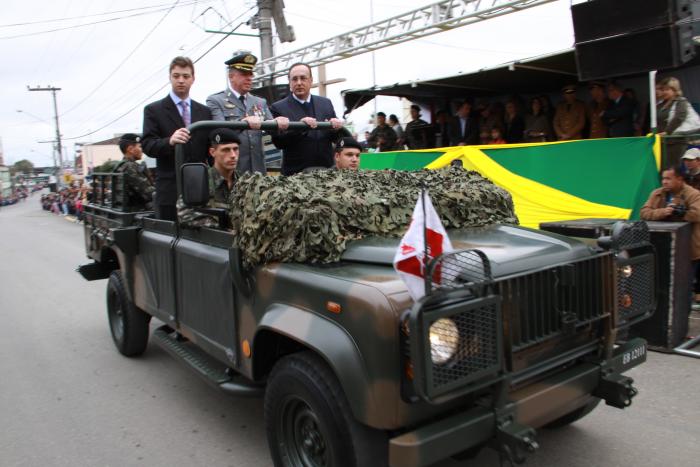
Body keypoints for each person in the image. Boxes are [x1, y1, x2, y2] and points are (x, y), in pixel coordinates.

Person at [142, 56, 212, 221]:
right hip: (169, 192)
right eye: (176, 76)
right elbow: (147, 145)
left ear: (193, 79)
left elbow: (210, 150)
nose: (181, 80)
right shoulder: (154, 110)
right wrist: (169, 142)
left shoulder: (204, 112)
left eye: (186, 76)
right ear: (170, 77)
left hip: (200, 189)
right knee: (171, 243)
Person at [207, 51, 289, 175]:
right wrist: (242, 123)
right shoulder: (216, 101)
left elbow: (273, 130)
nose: (249, 78)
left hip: (257, 172)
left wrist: (279, 123)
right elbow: (220, 133)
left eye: (251, 74)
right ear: (231, 76)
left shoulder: (260, 102)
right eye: (244, 74)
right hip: (231, 173)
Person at [270, 62, 343, 175]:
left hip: (326, 174)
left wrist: (336, 129)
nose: (299, 83)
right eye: (294, 79)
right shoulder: (278, 107)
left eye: (303, 78)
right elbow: (279, 142)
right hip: (295, 176)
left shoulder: (325, 104)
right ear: (289, 82)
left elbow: (337, 139)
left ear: (311, 80)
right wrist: (300, 128)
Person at [641, 166, 700, 303]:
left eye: (668, 178)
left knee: (683, 284)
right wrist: (663, 212)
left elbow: (697, 214)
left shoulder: (693, 194)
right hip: (661, 246)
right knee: (662, 283)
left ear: (679, 179)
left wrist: (679, 213)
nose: (664, 182)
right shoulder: (657, 193)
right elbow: (644, 213)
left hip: (688, 248)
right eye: (663, 178)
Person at [178, 128, 240, 229]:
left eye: (235, 149)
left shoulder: (244, 181)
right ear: (212, 152)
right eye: (226, 150)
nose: (233, 155)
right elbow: (185, 215)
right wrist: (221, 228)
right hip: (212, 240)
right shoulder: (201, 181)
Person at [657, 76, 700, 169]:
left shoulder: (681, 101)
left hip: (676, 142)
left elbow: (679, 117)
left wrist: (667, 132)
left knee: (673, 168)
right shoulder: (661, 104)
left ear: (675, 90)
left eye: (667, 89)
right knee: (663, 168)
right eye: (663, 89)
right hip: (663, 142)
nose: (664, 92)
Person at [113, 133, 155, 210]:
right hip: (136, 211)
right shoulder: (130, 167)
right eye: (140, 147)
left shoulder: (120, 166)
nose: (142, 150)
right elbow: (149, 193)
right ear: (130, 149)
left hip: (126, 210)